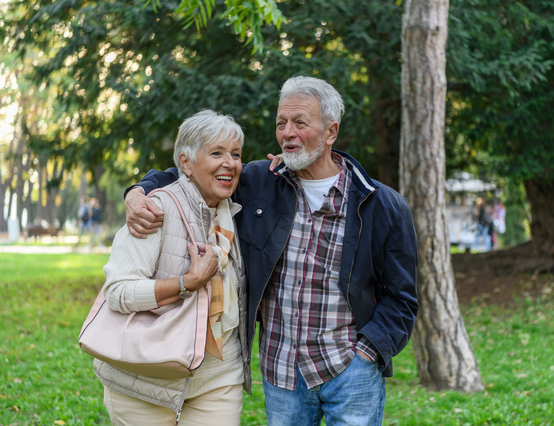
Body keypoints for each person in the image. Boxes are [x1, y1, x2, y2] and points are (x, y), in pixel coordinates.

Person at [125, 76, 418, 425]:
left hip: (350, 371)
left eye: (300, 123)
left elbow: (402, 297)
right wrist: (138, 191)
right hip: (282, 373)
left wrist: (367, 353)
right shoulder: (260, 182)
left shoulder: (381, 204)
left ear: (330, 132)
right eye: (281, 123)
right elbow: (189, 172)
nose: (287, 133)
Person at [98, 110, 251, 425]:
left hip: (219, 376)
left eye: (235, 154)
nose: (230, 163)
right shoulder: (154, 210)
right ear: (185, 162)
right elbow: (117, 292)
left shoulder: (240, 210)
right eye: (217, 153)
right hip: (145, 379)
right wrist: (187, 282)